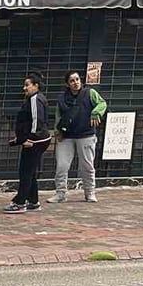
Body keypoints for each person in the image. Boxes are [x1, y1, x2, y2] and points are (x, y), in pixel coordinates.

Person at [48, 70, 107, 204]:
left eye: (77, 79)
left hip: (86, 135)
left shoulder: (89, 93)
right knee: (62, 166)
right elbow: (58, 115)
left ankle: (90, 192)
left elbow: (102, 103)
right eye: (72, 81)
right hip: (67, 136)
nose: (75, 83)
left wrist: (96, 113)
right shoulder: (62, 98)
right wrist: (57, 131)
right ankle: (60, 193)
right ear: (67, 84)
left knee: (87, 166)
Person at [4, 72, 52, 214]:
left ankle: (20, 202)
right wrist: (19, 140)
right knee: (29, 172)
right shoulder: (34, 98)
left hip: (36, 141)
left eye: (27, 85)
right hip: (36, 140)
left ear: (36, 86)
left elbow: (37, 121)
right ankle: (33, 201)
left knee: (25, 172)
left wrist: (31, 139)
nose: (24, 88)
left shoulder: (35, 99)